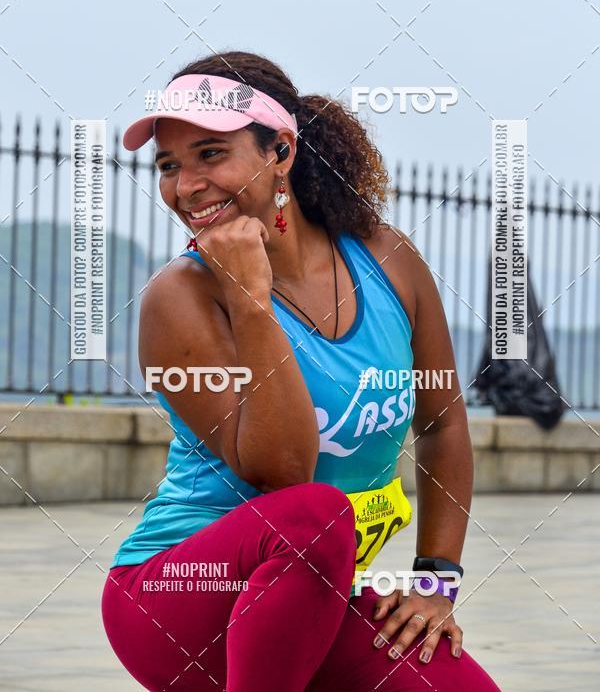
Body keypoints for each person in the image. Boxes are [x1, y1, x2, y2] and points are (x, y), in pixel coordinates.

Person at [101, 52, 501, 691]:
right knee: (314, 513)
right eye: (169, 166)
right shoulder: (180, 298)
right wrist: (250, 299)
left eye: (210, 154)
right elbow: (282, 474)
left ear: (279, 152)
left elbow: (443, 424)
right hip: (174, 597)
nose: (186, 185)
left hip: (309, 596)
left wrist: (434, 583)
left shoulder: (389, 261)